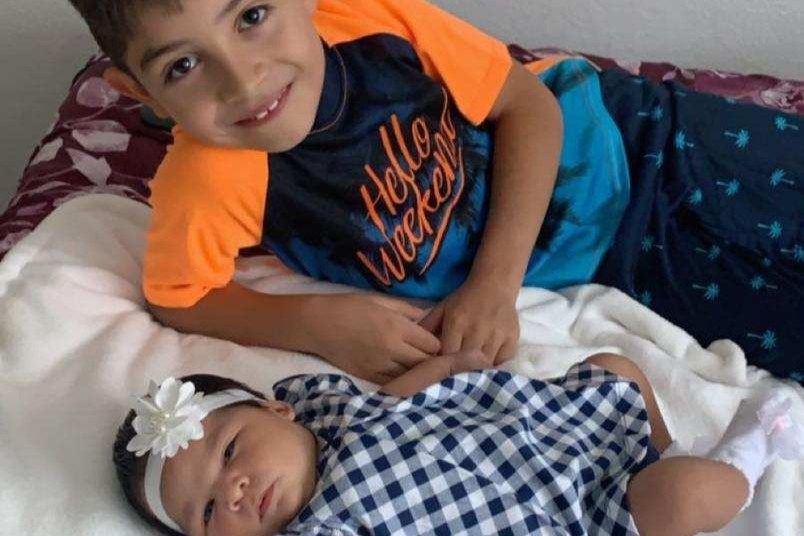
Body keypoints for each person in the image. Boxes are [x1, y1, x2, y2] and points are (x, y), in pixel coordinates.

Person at [67, 0, 803, 383]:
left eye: (252, 17)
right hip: (624, 262)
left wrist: (493, 285)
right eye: (183, 66)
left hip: (636, 132)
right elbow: (180, 296)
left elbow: (527, 105)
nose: (243, 79)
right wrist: (317, 325)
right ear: (141, 93)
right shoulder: (209, 180)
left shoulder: (373, 20)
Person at [114, 352, 803, 536]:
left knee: (611, 368)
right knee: (687, 496)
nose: (234, 491)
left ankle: (661, 448)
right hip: (579, 521)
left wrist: (451, 364)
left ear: (276, 408)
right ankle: (755, 442)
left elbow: (397, 399)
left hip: (554, 448)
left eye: (230, 451)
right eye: (209, 513)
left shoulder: (325, 409)